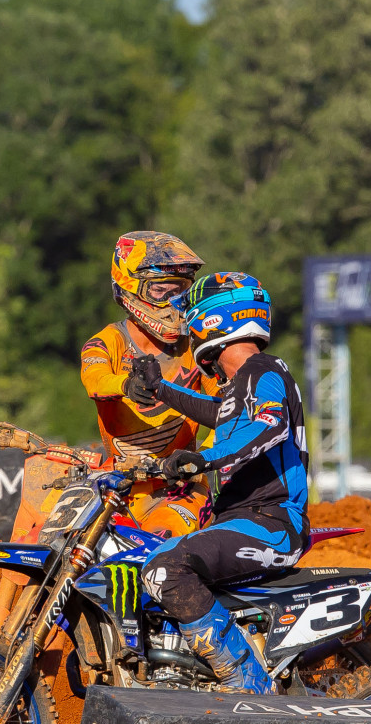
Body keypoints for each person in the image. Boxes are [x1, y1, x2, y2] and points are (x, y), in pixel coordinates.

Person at [0, 231, 212, 633]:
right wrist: (125, 384)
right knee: (41, 501)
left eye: (182, 290)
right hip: (119, 480)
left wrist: (207, 459)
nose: (175, 302)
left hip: (177, 485)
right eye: (162, 289)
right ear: (130, 290)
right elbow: (94, 378)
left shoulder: (199, 348)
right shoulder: (107, 341)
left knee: (161, 561)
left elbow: (222, 412)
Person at [123, 272, 308, 693]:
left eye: (192, 309)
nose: (185, 319)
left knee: (166, 569)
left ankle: (247, 682)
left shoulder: (264, 371)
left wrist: (199, 459)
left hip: (271, 522)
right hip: (242, 520)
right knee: (142, 564)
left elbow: (268, 426)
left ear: (214, 318)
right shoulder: (243, 385)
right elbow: (217, 411)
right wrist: (159, 388)